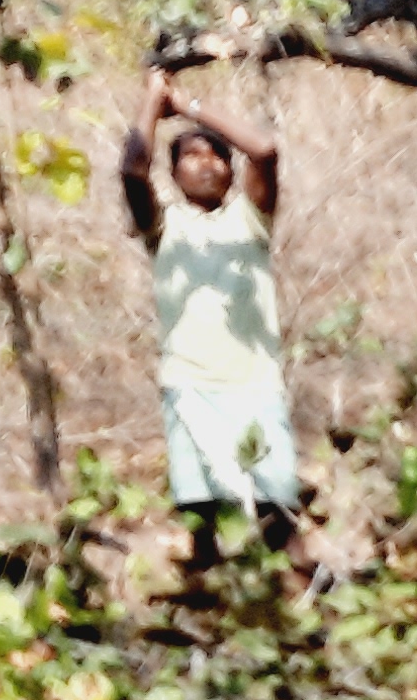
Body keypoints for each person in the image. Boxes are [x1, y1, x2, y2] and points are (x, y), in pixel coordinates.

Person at [117, 68, 299, 564]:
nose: (205, 164)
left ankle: (285, 601)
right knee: (201, 518)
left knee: (275, 509)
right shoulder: (163, 226)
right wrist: (153, 101)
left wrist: (189, 106)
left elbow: (263, 150)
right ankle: (208, 608)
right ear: (174, 174)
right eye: (190, 156)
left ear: (229, 169)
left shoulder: (250, 219)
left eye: (215, 154)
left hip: (255, 383)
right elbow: (133, 170)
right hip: (191, 385)